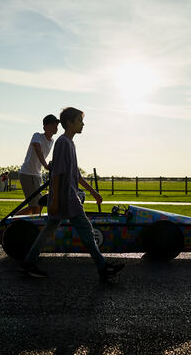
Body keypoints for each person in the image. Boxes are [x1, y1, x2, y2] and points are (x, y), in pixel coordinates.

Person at [20, 107, 125, 281]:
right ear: (69, 123)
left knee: (49, 230)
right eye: (79, 120)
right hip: (66, 198)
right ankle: (103, 268)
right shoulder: (63, 143)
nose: (83, 124)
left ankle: (28, 263)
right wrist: (54, 200)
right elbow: (57, 174)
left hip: (66, 197)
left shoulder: (69, 143)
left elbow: (75, 173)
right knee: (85, 229)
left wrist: (93, 192)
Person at [16, 114, 60, 215]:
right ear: (45, 126)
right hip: (27, 173)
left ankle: (29, 224)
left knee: (39, 205)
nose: (55, 127)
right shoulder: (37, 136)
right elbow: (38, 150)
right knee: (34, 205)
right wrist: (45, 165)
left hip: (37, 175)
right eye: (53, 125)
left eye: (56, 125)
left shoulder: (52, 141)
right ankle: (12, 222)